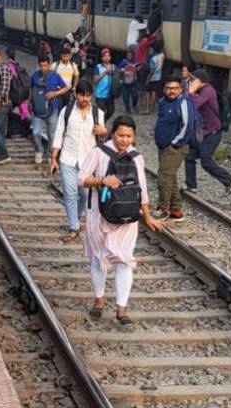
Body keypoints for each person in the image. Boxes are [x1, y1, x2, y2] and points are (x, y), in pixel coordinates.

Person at [80, 115, 168, 325]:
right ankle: (99, 301)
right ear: (113, 134)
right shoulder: (98, 153)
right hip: (99, 216)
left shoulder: (136, 157)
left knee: (125, 261)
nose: (125, 140)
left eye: (129, 136)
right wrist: (102, 180)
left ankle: (122, 309)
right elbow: (81, 178)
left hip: (128, 218)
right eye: (121, 135)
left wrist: (147, 215)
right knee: (98, 259)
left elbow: (142, 189)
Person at [50, 80, 105, 241]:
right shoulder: (66, 112)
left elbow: (104, 137)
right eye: (82, 95)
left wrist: (104, 131)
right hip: (68, 158)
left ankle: (77, 216)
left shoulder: (97, 113)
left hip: (88, 161)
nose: (85, 99)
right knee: (70, 192)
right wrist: (53, 158)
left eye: (88, 96)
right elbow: (59, 134)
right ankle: (73, 226)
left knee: (85, 193)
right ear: (76, 94)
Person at [184, 69, 231, 194]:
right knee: (189, 157)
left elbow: (195, 104)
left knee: (206, 161)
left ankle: (229, 179)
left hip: (212, 133)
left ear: (199, 80)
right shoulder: (199, 91)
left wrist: (190, 91)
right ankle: (191, 186)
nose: (190, 82)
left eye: (193, 80)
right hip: (203, 132)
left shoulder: (208, 91)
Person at [154, 75, 197, 221]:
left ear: (180, 89)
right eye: (169, 88)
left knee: (164, 176)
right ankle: (176, 209)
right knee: (170, 176)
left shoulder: (184, 103)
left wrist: (175, 144)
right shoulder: (162, 102)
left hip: (175, 147)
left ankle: (163, 208)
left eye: (174, 88)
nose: (171, 91)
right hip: (162, 145)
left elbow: (187, 126)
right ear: (164, 89)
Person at [29, 54, 70, 165]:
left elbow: (66, 88)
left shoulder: (55, 76)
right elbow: (31, 88)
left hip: (52, 110)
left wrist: (55, 93)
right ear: (38, 65)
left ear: (49, 65)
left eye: (45, 65)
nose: (43, 68)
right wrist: (29, 102)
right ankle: (39, 150)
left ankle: (49, 153)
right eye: (41, 66)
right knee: (35, 132)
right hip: (37, 110)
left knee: (52, 135)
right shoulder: (35, 76)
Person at [93, 48, 116, 121]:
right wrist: (105, 71)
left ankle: (102, 122)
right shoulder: (98, 67)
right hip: (100, 95)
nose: (107, 58)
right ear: (102, 58)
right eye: (105, 56)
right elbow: (95, 80)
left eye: (108, 56)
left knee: (111, 111)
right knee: (101, 112)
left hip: (110, 94)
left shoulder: (113, 66)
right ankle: (99, 124)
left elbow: (117, 78)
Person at [143, 45, 164, 114]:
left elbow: (152, 70)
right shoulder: (162, 55)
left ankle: (147, 109)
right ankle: (152, 109)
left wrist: (148, 79)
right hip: (158, 78)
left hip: (152, 78)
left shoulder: (152, 59)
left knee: (147, 92)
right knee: (154, 93)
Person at [119, 49, 139, 115]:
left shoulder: (135, 62)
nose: (129, 57)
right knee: (125, 97)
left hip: (133, 82)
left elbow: (139, 67)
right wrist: (122, 71)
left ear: (133, 56)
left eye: (130, 56)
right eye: (128, 55)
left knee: (135, 95)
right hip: (125, 82)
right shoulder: (123, 62)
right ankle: (128, 109)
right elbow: (119, 70)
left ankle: (134, 105)